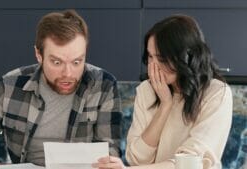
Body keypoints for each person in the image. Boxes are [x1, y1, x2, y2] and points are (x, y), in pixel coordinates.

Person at [0, 9, 122, 166]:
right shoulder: (10, 85)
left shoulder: (103, 85)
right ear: (38, 55)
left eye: (77, 62)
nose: (68, 73)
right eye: (57, 62)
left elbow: (109, 154)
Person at [92, 14, 232, 169]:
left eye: (162, 59)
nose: (154, 66)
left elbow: (190, 163)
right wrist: (165, 104)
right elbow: (136, 159)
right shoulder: (146, 90)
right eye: (151, 57)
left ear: (187, 57)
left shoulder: (216, 93)